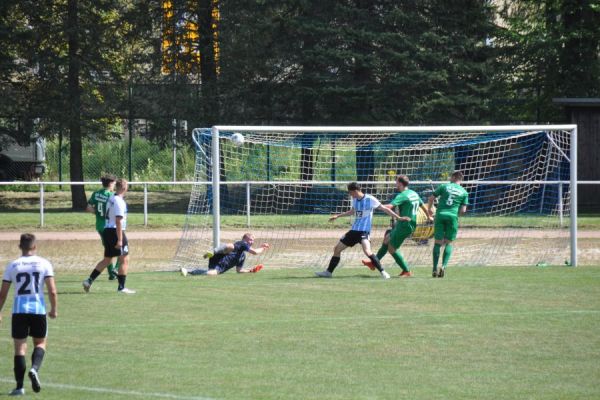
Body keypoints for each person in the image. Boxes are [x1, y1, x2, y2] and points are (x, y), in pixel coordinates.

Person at [0, 233, 57, 395]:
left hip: (19, 311)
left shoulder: (13, 265)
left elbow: (2, 294)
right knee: (40, 343)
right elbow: (52, 291)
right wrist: (53, 309)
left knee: (20, 349)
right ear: (35, 246)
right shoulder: (44, 264)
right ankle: (34, 369)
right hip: (38, 310)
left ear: (20, 246)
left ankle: (19, 387)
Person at [315, 182, 402, 279]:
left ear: (355, 191)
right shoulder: (355, 200)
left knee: (367, 251)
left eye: (350, 192)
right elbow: (352, 211)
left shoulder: (370, 199)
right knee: (337, 249)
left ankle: (383, 272)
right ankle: (328, 272)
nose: (350, 194)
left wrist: (398, 217)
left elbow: (385, 209)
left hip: (364, 232)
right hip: (353, 231)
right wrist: (338, 216)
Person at [362, 175, 432, 277]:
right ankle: (373, 263)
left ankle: (406, 270)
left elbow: (390, 207)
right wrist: (428, 216)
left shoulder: (402, 195)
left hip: (405, 224)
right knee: (387, 239)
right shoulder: (414, 193)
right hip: (406, 224)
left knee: (392, 249)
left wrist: (374, 206)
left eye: (396, 182)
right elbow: (422, 205)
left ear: (400, 183)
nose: (395, 184)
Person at [83, 178, 135, 293]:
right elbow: (118, 221)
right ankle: (121, 287)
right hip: (115, 231)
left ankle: (89, 281)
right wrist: (120, 240)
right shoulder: (119, 201)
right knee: (125, 259)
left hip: (107, 230)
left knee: (107, 260)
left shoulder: (111, 198)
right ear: (125, 188)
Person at [428, 171, 469, 277]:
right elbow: (463, 210)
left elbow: (431, 198)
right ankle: (444, 266)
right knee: (448, 243)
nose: (450, 178)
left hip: (440, 215)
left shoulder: (444, 186)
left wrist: (429, 210)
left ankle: (434, 268)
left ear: (454, 177)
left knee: (437, 243)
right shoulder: (464, 192)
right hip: (452, 217)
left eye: (451, 176)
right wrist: (456, 215)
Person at [180, 233, 270, 276]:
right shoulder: (241, 243)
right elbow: (255, 252)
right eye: (250, 239)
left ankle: (188, 271)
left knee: (211, 273)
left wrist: (250, 271)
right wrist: (263, 247)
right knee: (231, 246)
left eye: (253, 240)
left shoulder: (242, 256)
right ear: (244, 239)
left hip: (219, 267)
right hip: (219, 255)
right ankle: (213, 251)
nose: (252, 241)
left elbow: (239, 270)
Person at [86, 174, 118, 280]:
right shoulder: (111, 195)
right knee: (120, 247)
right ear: (110, 184)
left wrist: (98, 213)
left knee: (108, 249)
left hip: (99, 226)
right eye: (114, 183)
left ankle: (111, 274)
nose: (115, 185)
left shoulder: (96, 193)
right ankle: (115, 269)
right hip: (109, 226)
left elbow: (88, 207)